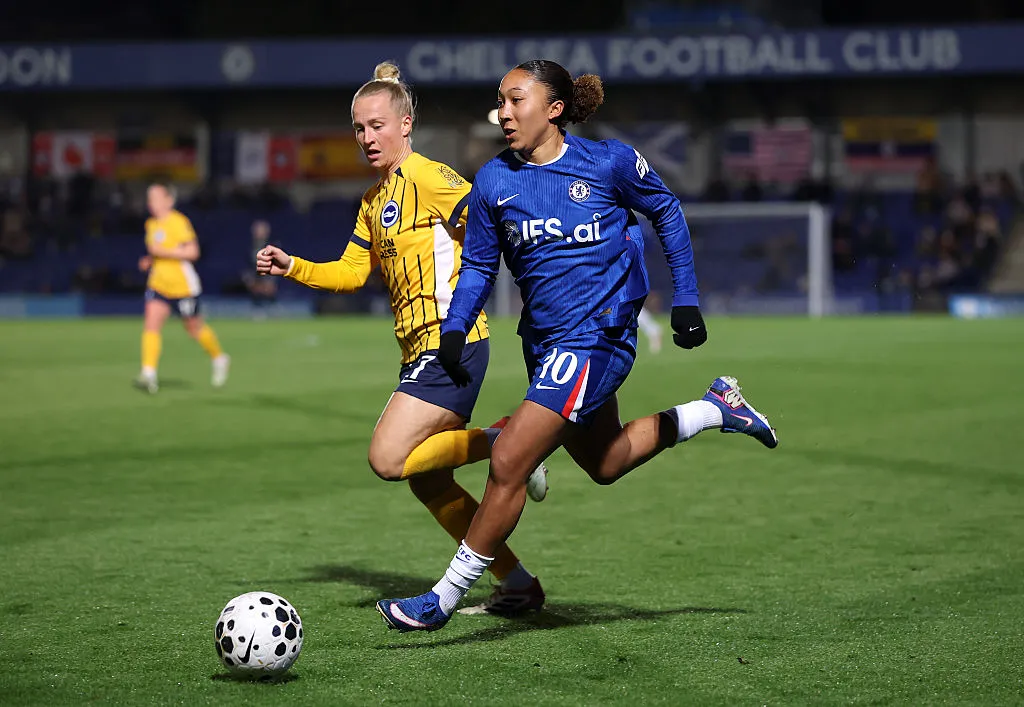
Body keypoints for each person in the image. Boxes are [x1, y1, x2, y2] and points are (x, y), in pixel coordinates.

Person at [376, 60, 778, 633]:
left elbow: (665, 207)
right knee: (607, 461)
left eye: (516, 101)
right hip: (544, 344)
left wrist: (685, 296)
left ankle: (441, 599)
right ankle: (716, 407)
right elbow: (479, 265)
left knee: (511, 461)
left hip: (599, 338)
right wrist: (456, 325)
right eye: (500, 102)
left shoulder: (608, 162)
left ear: (554, 109)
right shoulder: (494, 179)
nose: (504, 113)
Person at [256, 61, 548, 616]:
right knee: (429, 481)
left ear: (406, 124)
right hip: (418, 352)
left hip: (453, 342)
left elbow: (488, 215)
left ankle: (508, 439)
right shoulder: (373, 201)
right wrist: (292, 265)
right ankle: (517, 582)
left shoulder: (430, 177)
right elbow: (349, 273)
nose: (367, 137)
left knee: (389, 458)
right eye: (360, 128)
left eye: (377, 125)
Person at [135, 182, 229, 394]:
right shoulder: (151, 224)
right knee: (151, 324)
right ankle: (148, 373)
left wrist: (163, 252)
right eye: (150, 199)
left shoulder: (178, 222)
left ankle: (219, 358)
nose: (152, 203)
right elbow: (159, 252)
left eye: (157, 198)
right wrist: (150, 260)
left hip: (183, 287)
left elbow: (193, 252)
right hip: (159, 284)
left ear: (169, 200)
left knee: (193, 329)